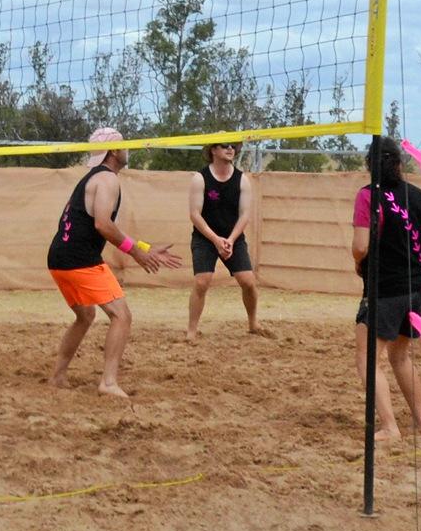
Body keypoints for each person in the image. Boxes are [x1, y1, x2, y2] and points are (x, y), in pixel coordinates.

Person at [47, 127, 182, 397]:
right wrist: (137, 253)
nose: (127, 149)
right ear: (114, 151)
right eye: (125, 145)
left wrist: (144, 247)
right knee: (122, 315)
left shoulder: (95, 178)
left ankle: (58, 376)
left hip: (59, 257)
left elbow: (104, 224)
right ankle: (108, 383)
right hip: (79, 260)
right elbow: (103, 225)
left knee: (85, 316)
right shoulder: (108, 180)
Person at [352, 135, 421, 438]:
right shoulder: (416, 194)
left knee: (368, 360)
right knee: (400, 356)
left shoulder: (367, 196)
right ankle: (420, 422)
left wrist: (357, 262)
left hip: (384, 289)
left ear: (369, 165)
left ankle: (390, 426)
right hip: (416, 288)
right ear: (400, 164)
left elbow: (360, 246)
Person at [185, 140, 267, 340]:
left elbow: (245, 215)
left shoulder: (242, 180)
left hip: (233, 238)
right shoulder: (200, 178)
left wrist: (229, 240)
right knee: (202, 282)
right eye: (224, 145)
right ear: (213, 150)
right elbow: (195, 215)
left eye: (232, 146)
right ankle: (191, 331)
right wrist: (215, 240)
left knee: (248, 282)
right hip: (205, 237)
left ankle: (253, 323)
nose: (230, 149)